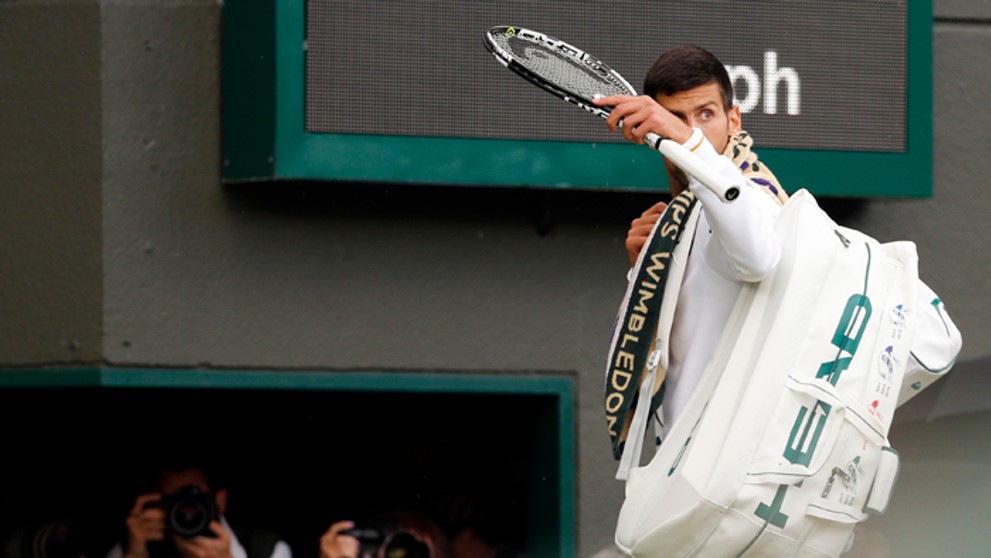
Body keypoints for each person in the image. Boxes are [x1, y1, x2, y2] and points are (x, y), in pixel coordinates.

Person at [593, 45, 961, 435]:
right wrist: (647, 271)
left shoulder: (752, 196)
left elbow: (756, 258)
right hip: (685, 462)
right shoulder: (686, 216)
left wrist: (688, 144)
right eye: (676, 118)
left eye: (706, 115)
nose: (692, 130)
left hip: (732, 468)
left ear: (734, 120)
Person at [105, 462, 292, 558]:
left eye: (192, 499)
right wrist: (135, 554)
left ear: (219, 499)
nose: (185, 512)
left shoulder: (264, 548)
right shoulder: (134, 544)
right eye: (172, 501)